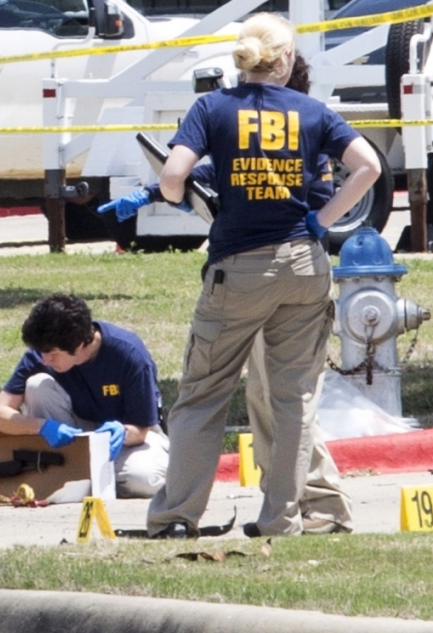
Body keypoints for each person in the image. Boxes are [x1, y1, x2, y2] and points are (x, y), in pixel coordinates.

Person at [141, 13, 380, 538]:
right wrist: (321, 220)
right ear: (287, 59)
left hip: (238, 268)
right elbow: (368, 167)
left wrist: (180, 197)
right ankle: (282, 519)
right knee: (294, 398)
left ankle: (176, 515)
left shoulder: (212, 108)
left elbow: (174, 176)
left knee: (204, 392)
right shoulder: (312, 110)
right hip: (304, 263)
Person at [0, 293, 169, 498]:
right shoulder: (42, 353)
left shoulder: (129, 354)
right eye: (41, 352)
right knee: (37, 385)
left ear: (79, 344)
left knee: (143, 479)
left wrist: (120, 432)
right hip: (72, 437)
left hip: (128, 439)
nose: (45, 360)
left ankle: (69, 477)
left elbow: (141, 430)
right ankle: (69, 471)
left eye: (53, 354)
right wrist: (42, 426)